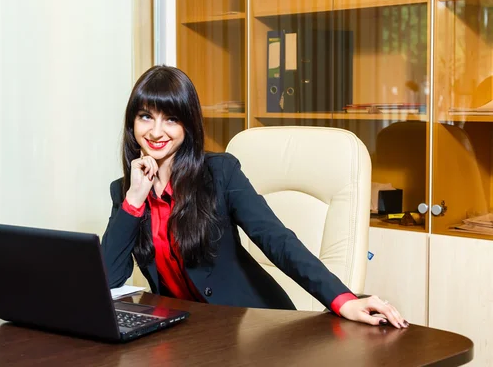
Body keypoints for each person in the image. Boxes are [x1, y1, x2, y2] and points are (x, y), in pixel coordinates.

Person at [101, 65, 409, 329]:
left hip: (250, 326)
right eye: (145, 117)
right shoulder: (126, 192)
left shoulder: (220, 173)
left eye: (170, 119)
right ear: (132, 123)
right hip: (184, 334)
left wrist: (344, 301)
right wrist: (135, 199)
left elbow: (277, 239)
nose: (156, 131)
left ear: (188, 125)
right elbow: (110, 279)